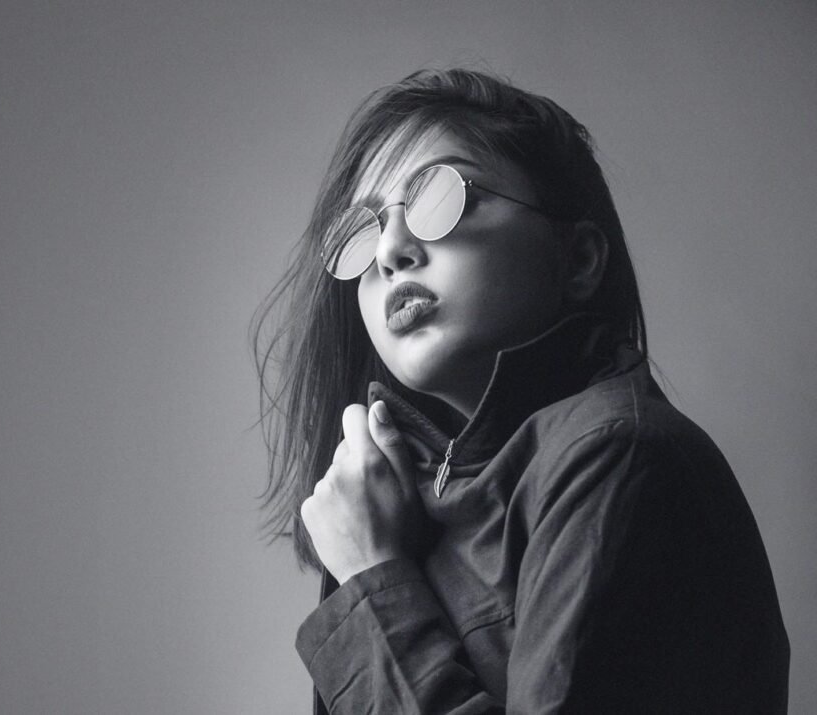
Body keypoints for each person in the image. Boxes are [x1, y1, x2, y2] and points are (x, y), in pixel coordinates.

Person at [252, 68, 789, 713]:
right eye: (363, 230)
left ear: (579, 259)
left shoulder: (621, 455)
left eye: (442, 198)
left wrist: (374, 582)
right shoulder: (389, 496)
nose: (391, 250)